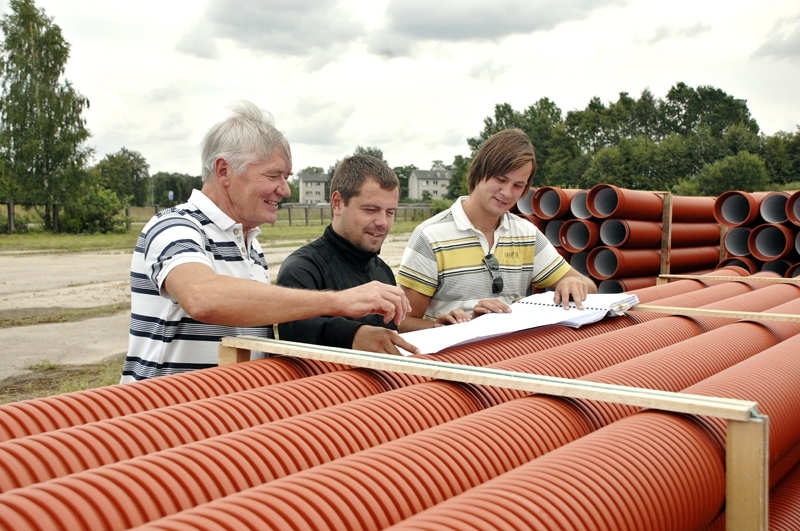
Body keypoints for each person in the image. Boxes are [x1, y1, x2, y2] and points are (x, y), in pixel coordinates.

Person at [121, 101, 410, 382]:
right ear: (224, 171)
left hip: (223, 416)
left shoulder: (250, 245)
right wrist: (339, 301)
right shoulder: (175, 226)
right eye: (274, 175)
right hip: (166, 418)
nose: (284, 190)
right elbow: (202, 297)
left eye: (286, 177)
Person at [397, 128, 596, 332]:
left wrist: (574, 283)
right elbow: (404, 323)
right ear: (479, 171)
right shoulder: (430, 237)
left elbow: (590, 288)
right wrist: (446, 327)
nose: (507, 193)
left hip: (511, 354)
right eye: (501, 179)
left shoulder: (527, 234)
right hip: (452, 359)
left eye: (518, 185)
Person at [276, 155, 419, 355]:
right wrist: (355, 335)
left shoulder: (382, 270)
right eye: (371, 210)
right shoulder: (302, 268)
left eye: (390, 212)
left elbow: (393, 334)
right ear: (337, 203)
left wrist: (438, 327)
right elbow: (294, 331)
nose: (383, 222)